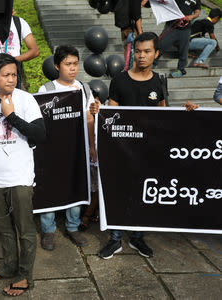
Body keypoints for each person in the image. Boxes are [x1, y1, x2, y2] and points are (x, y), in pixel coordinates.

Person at [99, 32, 198, 260]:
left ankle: (137, 236)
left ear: (156, 54)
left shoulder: (158, 81)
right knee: (119, 192)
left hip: (148, 151)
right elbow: (112, 114)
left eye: (147, 51)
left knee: (143, 192)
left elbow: (164, 116)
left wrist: (187, 112)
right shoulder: (120, 80)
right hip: (122, 149)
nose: (141, 56)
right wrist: (99, 112)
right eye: (138, 51)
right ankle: (115, 239)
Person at [0, 53, 45, 297]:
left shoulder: (26, 100)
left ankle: (25, 276)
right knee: (3, 228)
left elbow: (39, 135)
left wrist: (11, 116)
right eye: (6, 75)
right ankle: (9, 265)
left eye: (14, 74)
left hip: (20, 177)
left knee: (25, 230)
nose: (12, 79)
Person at [37, 45, 99, 250]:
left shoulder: (84, 88)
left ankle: (72, 227)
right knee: (51, 188)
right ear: (57, 66)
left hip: (77, 149)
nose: (72, 69)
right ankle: (48, 230)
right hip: (54, 151)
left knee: (76, 186)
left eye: (75, 64)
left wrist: (91, 146)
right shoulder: (47, 90)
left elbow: (89, 117)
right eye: (67, 64)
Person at [0, 9, 39, 94]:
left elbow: (34, 51)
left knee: (14, 99)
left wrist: (13, 60)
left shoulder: (20, 23)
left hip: (13, 71)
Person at [156, 0, 201, 78]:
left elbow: (197, 13)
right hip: (172, 26)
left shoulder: (197, 0)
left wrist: (190, 17)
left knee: (184, 51)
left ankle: (180, 69)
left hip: (186, 29)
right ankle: (151, 64)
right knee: (161, 45)